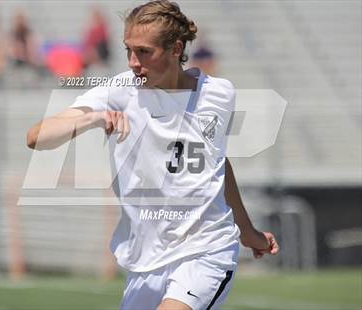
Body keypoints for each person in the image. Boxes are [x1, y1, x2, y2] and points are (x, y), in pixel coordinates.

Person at [26, 1, 279, 309]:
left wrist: (247, 232)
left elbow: (216, 166)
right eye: (128, 50)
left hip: (206, 251)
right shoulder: (120, 91)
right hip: (146, 262)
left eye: (144, 52)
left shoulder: (219, 94)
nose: (133, 62)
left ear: (175, 49)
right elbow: (37, 137)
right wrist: (91, 119)